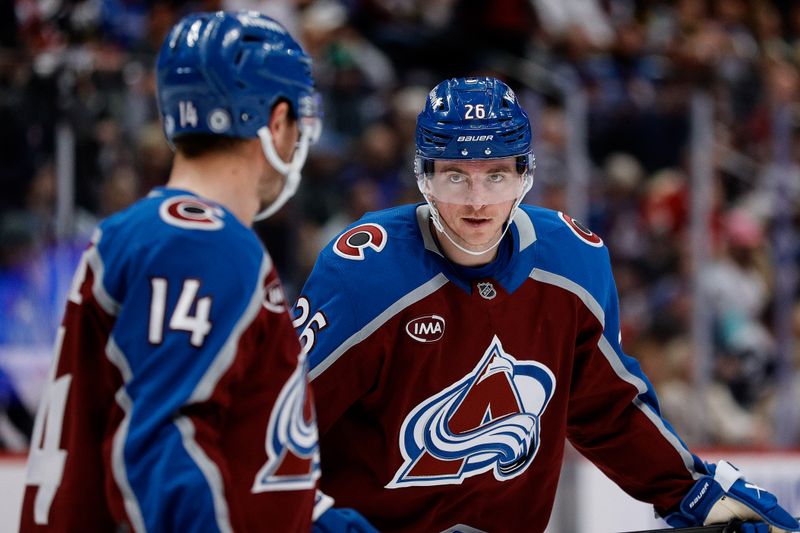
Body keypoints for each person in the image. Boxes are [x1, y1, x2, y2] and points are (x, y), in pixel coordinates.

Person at [293, 77, 799, 533]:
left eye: (496, 174)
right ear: (425, 176)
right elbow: (278, 418)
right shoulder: (363, 271)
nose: (477, 200)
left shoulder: (573, 263)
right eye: (455, 176)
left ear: (524, 174)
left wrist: (690, 489)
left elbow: (609, 408)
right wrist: (310, 517)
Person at [19, 11, 373, 532]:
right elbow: (164, 452)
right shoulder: (200, 245)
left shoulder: (151, 233)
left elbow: (247, 459)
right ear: (276, 122)